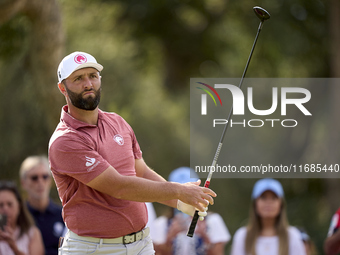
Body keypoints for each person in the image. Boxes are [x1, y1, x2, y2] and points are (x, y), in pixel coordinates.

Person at [48, 51, 216, 255]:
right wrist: (180, 191)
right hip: (93, 249)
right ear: (62, 88)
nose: (88, 84)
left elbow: (141, 172)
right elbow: (118, 186)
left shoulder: (117, 122)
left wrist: (180, 202)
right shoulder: (65, 140)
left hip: (141, 244)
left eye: (92, 76)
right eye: (78, 78)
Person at [151, 167, 231, 255]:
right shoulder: (161, 223)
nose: (185, 197)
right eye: (180, 193)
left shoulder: (213, 221)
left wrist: (205, 237)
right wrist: (169, 239)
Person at [230, 178, 306, 255]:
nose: (269, 202)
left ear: (281, 204)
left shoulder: (292, 236)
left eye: (274, 198)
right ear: (255, 203)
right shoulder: (242, 236)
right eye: (263, 197)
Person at [20, 155, 66, 255]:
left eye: (45, 177)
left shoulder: (64, 215)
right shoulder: (18, 216)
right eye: (34, 178)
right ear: (23, 183)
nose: (40, 182)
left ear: (50, 180)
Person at [0, 181, 44, 255]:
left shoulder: (32, 233)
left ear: (19, 206)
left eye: (10, 204)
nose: (5, 209)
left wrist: (14, 247)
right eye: (1, 205)